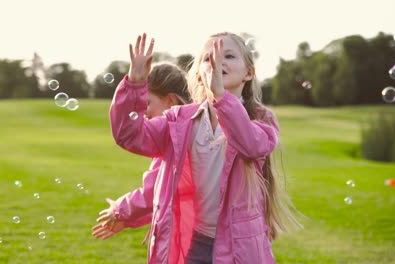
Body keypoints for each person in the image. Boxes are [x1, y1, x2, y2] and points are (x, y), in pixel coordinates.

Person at [108, 32, 302, 264]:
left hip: (239, 248)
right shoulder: (178, 121)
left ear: (248, 73)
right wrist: (135, 83)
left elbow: (250, 145)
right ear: (199, 76)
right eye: (209, 59)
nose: (218, 62)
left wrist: (220, 97)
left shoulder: (260, 120)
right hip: (196, 243)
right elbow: (129, 135)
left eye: (228, 56)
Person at [91, 62, 191, 240]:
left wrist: (120, 210)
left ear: (171, 100)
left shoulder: (179, 138)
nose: (144, 114)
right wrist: (139, 219)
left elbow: (154, 191)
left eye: (147, 104)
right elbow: (169, 196)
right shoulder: (187, 132)